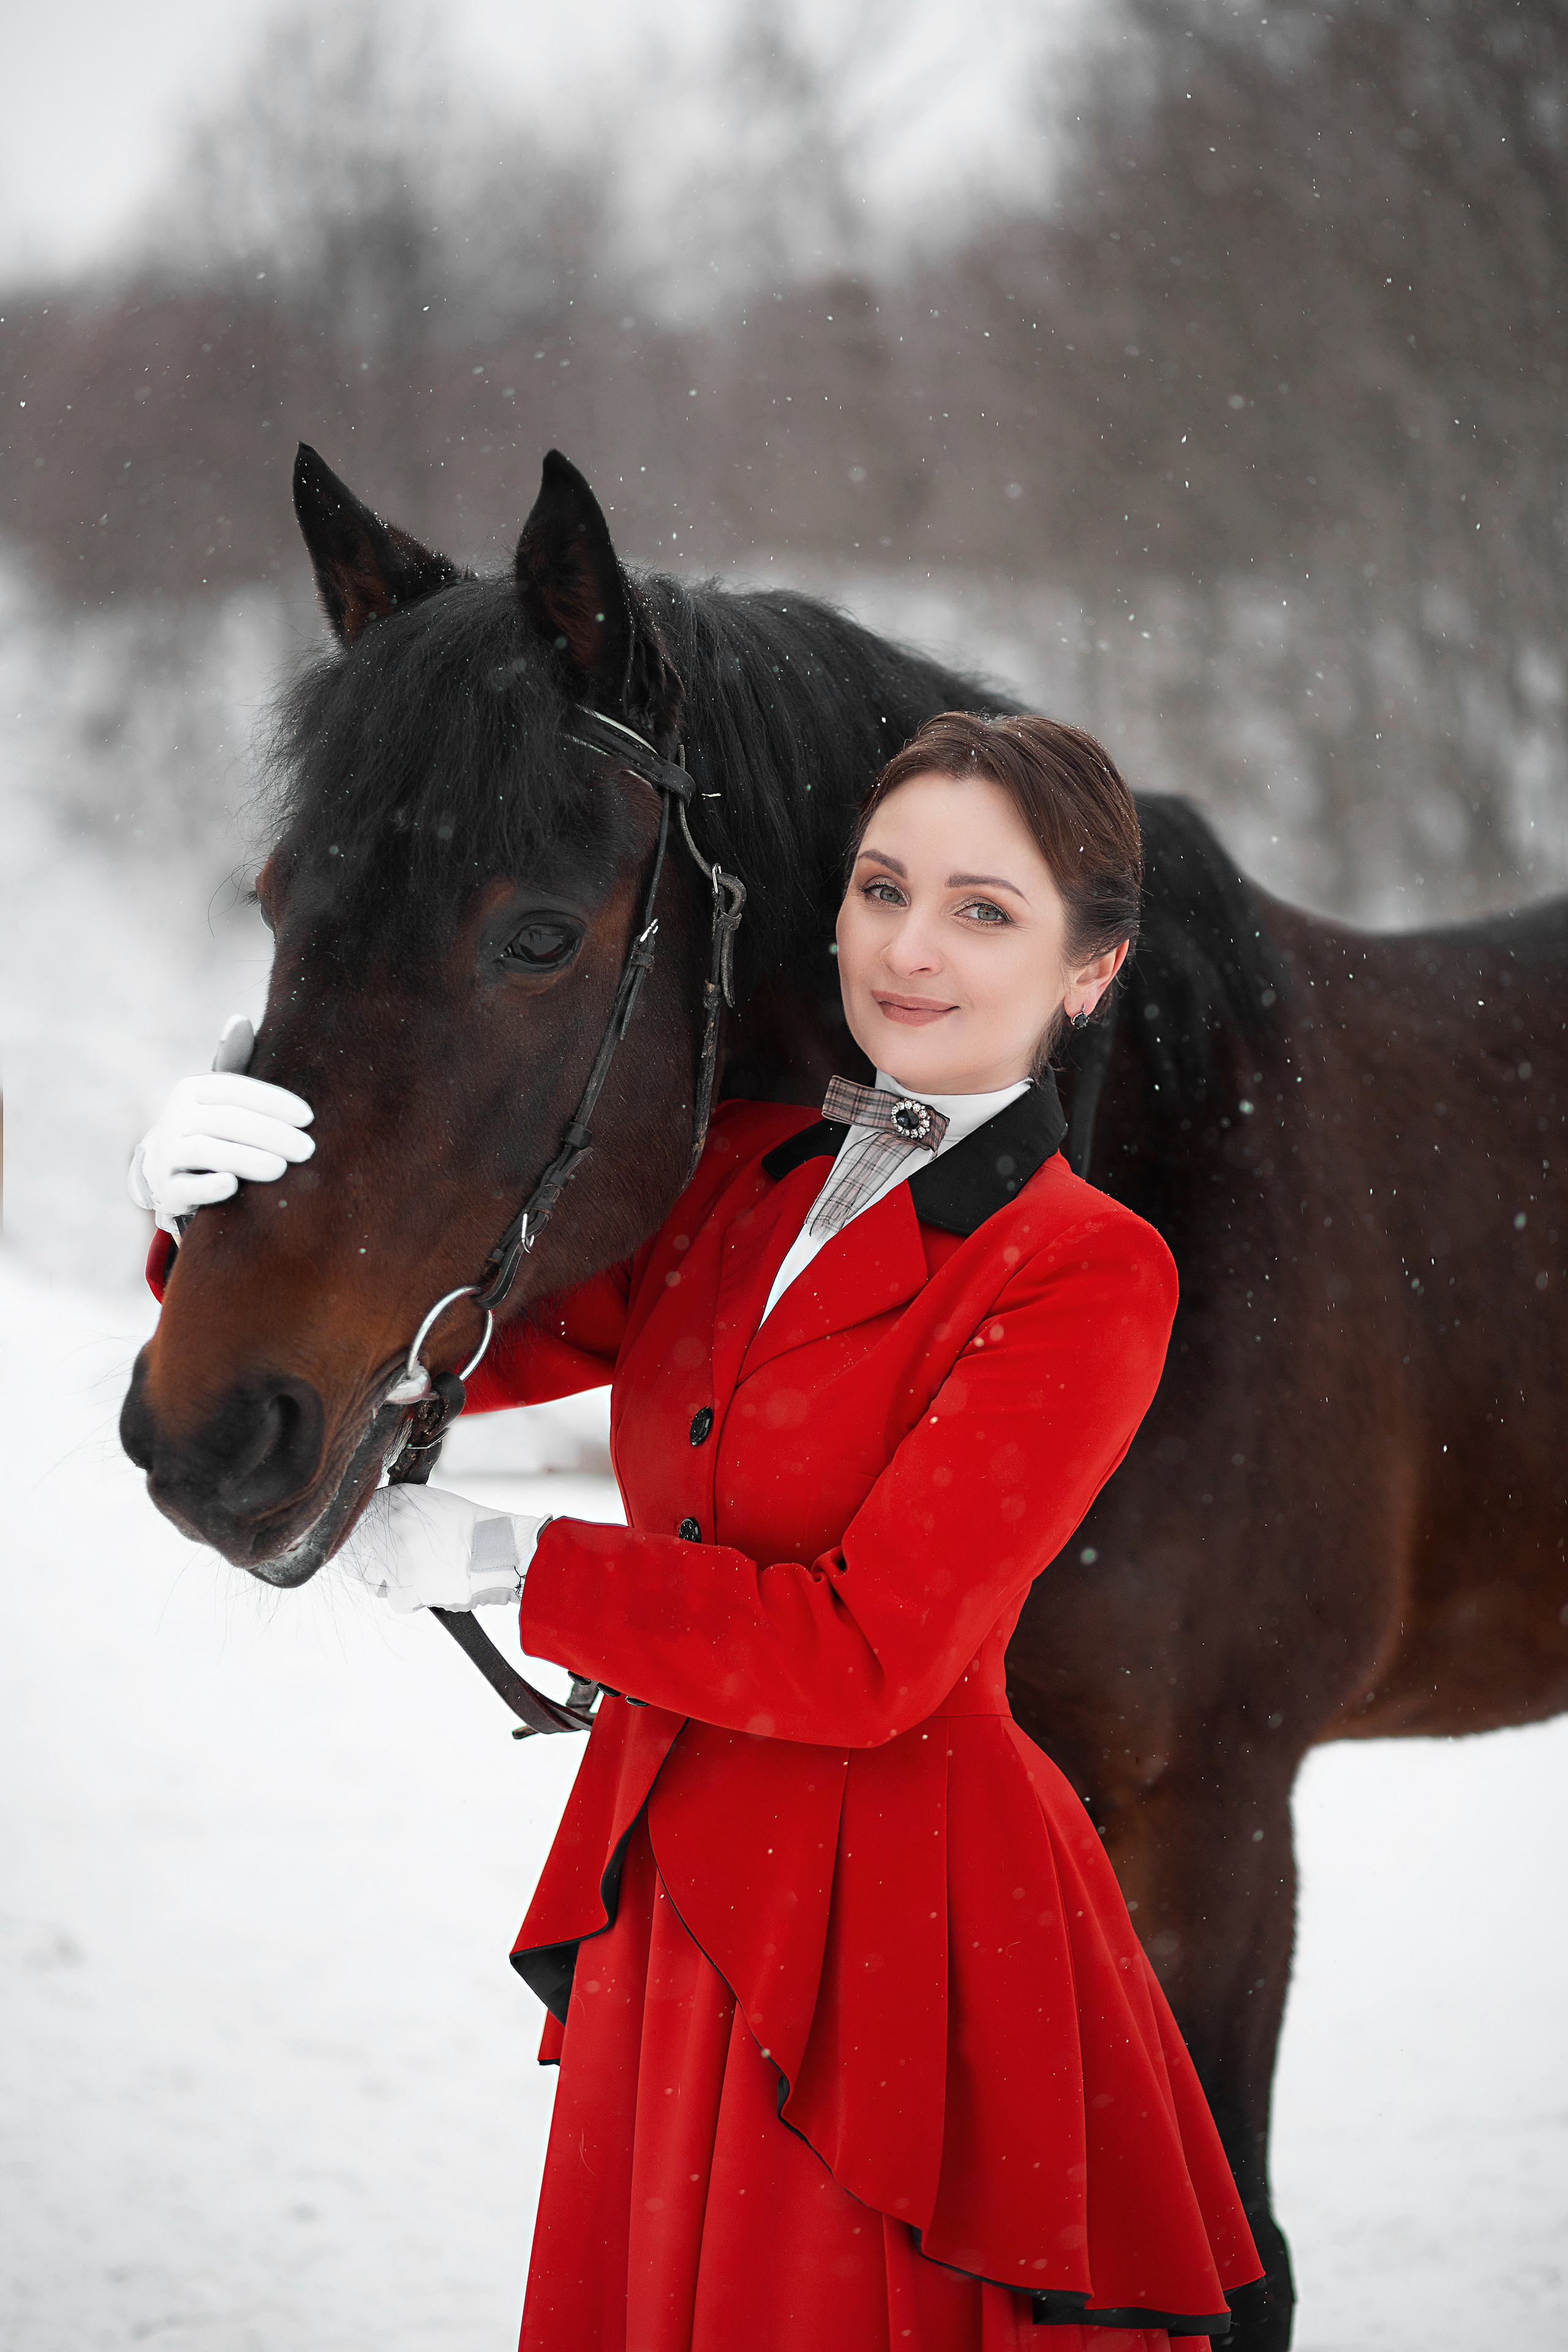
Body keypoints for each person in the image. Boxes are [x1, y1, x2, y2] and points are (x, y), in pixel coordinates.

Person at [131, 712, 1261, 2351]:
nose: (911, 948)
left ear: (1093, 969)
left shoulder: (1081, 1270)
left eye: (984, 910)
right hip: (676, 1898)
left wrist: (517, 1568)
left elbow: (871, 1655)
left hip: (907, 1935)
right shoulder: (733, 1182)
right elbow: (424, 1340)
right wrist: (206, 1229)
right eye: (883, 889)